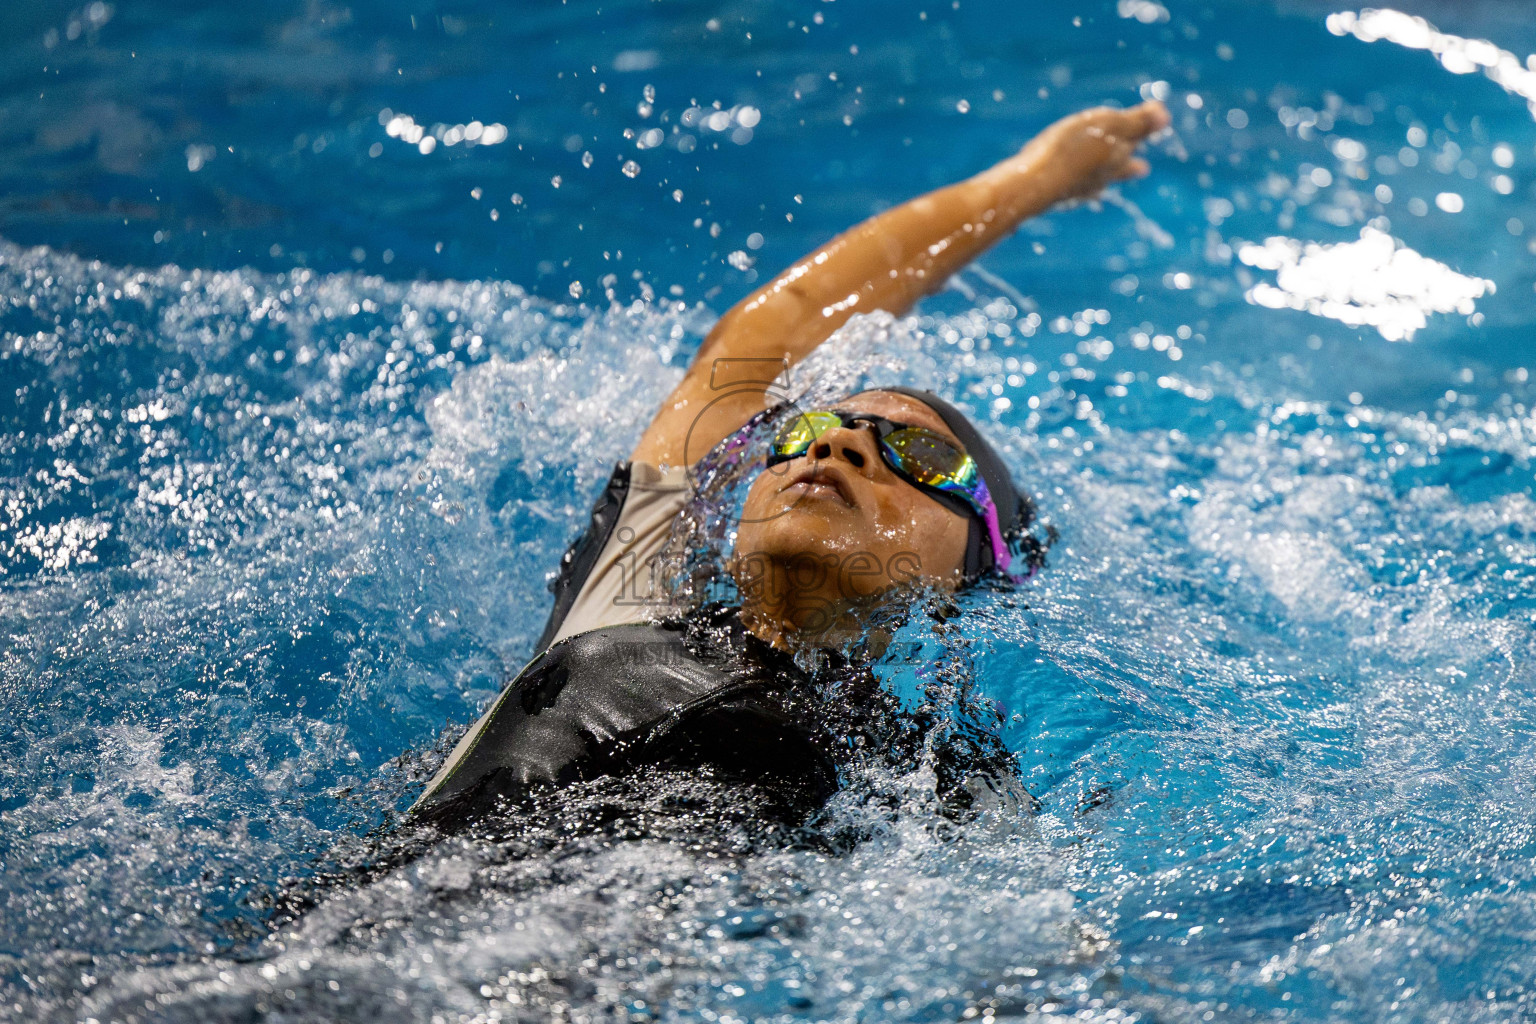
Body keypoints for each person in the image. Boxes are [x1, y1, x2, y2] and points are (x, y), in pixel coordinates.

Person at [412, 99, 1170, 829]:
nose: (838, 445)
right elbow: (764, 343)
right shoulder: (630, 591)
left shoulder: (938, 783)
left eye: (918, 453)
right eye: (811, 427)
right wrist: (1029, 181)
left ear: (976, 568)